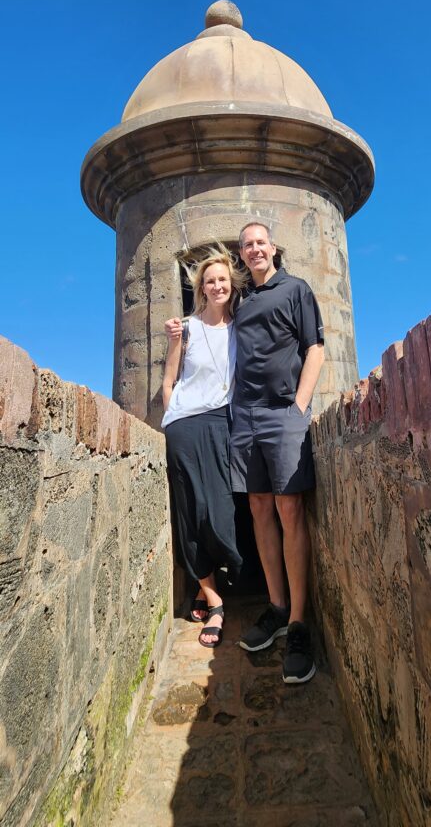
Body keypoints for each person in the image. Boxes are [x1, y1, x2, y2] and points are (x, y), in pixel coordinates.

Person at [231, 222, 324, 684]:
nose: (254, 250)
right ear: (242, 254)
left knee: (290, 509)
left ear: (273, 248)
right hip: (244, 418)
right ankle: (277, 605)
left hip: (282, 415)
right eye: (247, 245)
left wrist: (299, 409)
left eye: (260, 243)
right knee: (259, 507)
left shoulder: (296, 289)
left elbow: (316, 350)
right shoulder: (243, 301)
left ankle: (299, 624)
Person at [162, 246, 245, 648]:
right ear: (200, 288)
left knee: (219, 508)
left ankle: (205, 581)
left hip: (219, 422)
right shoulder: (186, 328)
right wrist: (171, 418)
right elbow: (169, 378)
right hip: (184, 424)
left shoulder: (241, 327)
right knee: (191, 508)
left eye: (223, 280)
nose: (217, 286)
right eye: (209, 281)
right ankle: (214, 600)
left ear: (232, 285)